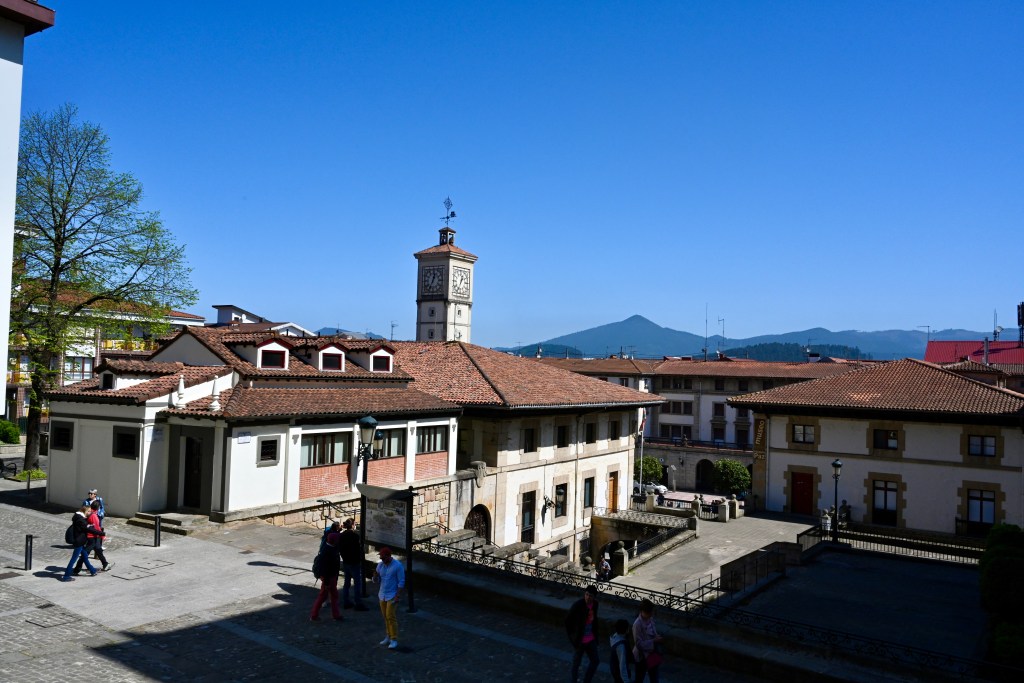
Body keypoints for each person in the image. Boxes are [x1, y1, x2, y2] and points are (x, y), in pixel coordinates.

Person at [565, 584, 600, 683]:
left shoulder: (595, 604)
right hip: (580, 640)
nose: (588, 597)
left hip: (591, 639)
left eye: (590, 596)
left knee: (595, 661)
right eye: (586, 594)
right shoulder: (578, 605)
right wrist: (573, 638)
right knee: (576, 663)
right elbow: (567, 621)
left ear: (594, 597)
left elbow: (594, 620)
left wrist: (595, 635)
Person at [373, 546, 405, 650]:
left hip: (392, 595)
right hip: (382, 594)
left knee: (390, 616)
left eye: (383, 558)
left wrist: (397, 595)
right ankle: (388, 635)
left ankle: (394, 639)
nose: (381, 559)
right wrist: (375, 577)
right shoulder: (380, 565)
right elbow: (377, 579)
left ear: (388, 556)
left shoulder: (397, 566)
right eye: (381, 558)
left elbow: (401, 582)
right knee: (385, 617)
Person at [310, 532, 343, 621]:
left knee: (328, 596)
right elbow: (326, 569)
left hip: (330, 577)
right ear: (334, 541)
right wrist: (327, 582)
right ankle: (315, 615)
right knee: (326, 596)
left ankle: (333, 615)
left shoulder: (328, 548)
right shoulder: (328, 552)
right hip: (329, 578)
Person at [75, 500, 113, 574]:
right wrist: (102, 536)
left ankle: (105, 564)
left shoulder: (89, 512)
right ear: (98, 507)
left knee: (98, 550)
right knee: (85, 553)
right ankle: (77, 569)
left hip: (92, 536)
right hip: (92, 537)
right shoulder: (93, 515)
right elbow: (97, 528)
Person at [338, 518, 368, 610]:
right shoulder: (355, 536)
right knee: (357, 583)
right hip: (354, 562)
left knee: (347, 583)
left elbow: (340, 548)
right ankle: (358, 603)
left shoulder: (342, 535)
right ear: (352, 525)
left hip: (346, 561)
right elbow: (357, 549)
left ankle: (346, 601)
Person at [61, 505, 97, 581]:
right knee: (73, 559)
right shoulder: (80, 519)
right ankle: (66, 576)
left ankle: (92, 570)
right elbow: (84, 528)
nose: (90, 512)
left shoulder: (78, 518)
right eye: (89, 511)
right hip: (79, 542)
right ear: (84, 511)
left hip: (80, 541)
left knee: (85, 556)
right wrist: (101, 533)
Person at [632, 598, 663, 682]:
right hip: (641, 657)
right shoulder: (637, 624)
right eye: (649, 613)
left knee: (654, 677)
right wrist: (654, 641)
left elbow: (653, 632)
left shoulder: (650, 619)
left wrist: (657, 637)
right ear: (642, 611)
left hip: (652, 654)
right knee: (639, 679)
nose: (651, 614)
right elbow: (638, 644)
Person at [609, 618, 632, 683]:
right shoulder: (621, 646)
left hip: (614, 668)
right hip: (618, 672)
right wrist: (626, 681)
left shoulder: (614, 637)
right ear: (626, 630)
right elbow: (622, 665)